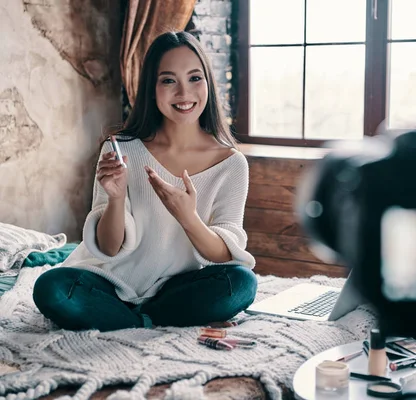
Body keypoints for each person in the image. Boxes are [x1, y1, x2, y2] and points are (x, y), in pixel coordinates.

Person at [32, 31, 257, 332]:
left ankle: (132, 320)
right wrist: (115, 198)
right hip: (110, 282)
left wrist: (188, 217)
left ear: (208, 83)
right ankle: (152, 321)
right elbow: (109, 249)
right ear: (151, 88)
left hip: (175, 288)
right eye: (168, 80)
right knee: (51, 288)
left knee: (241, 283)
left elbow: (224, 253)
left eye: (194, 78)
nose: (183, 92)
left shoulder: (231, 164)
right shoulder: (121, 149)